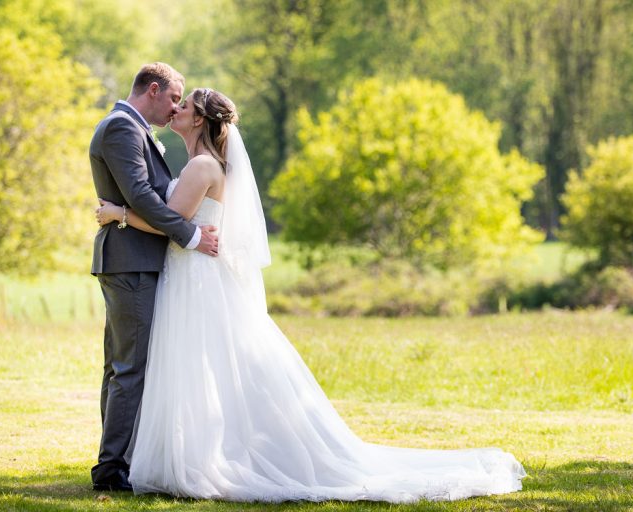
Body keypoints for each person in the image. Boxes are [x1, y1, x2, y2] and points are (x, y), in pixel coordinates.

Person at [94, 87, 526, 503]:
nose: (176, 110)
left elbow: (173, 224)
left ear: (200, 119)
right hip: (192, 276)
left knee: (198, 366)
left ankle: (199, 456)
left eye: (183, 104)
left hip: (196, 279)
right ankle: (176, 452)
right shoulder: (202, 164)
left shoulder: (201, 167)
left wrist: (118, 214)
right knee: (194, 369)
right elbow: (180, 223)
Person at [88, 62, 219, 492]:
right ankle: (111, 470)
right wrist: (191, 235)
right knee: (128, 369)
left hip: (136, 259)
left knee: (121, 367)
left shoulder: (134, 128)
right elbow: (141, 194)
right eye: (173, 98)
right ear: (154, 89)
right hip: (131, 261)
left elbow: (143, 197)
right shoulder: (123, 127)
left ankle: (117, 460)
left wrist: (124, 214)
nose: (175, 107)